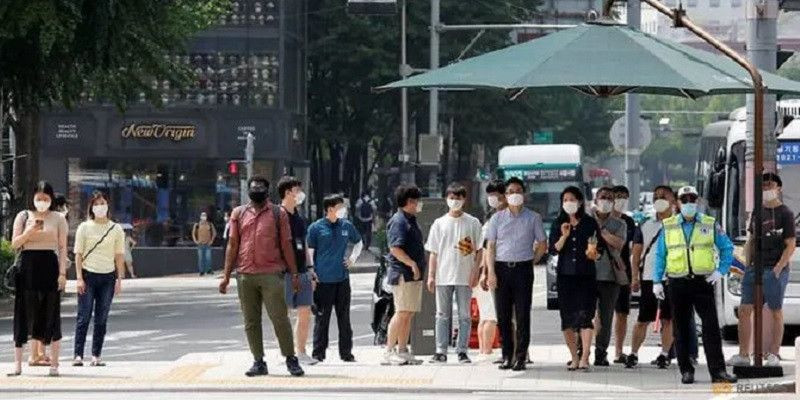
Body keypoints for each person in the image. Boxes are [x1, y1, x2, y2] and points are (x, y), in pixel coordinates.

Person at [218, 176, 304, 377]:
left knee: (279, 318)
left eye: (260, 187)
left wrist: (294, 273)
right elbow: (232, 245)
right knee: (250, 321)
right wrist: (226, 275)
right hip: (246, 275)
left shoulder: (277, 213)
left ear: (267, 190)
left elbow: (286, 244)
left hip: (271, 274)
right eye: (253, 187)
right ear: (248, 191)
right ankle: (258, 361)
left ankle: (291, 358)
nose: (257, 189)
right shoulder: (238, 213)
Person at [653, 185, 737, 384]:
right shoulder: (669, 225)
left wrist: (720, 271)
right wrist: (656, 281)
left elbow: (727, 248)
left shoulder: (709, 223)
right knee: (680, 328)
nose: (689, 203)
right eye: (685, 200)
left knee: (711, 328)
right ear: (678, 203)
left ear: (697, 202)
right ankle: (686, 370)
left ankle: (718, 372)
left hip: (703, 282)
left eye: (692, 199)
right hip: (677, 282)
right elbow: (660, 256)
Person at [728, 172, 796, 367]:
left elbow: (790, 244)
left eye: (770, 185)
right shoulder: (757, 212)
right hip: (753, 268)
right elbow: (750, 240)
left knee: (775, 310)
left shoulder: (786, 213)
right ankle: (743, 354)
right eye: (764, 186)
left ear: (779, 188)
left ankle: (774, 353)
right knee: (744, 309)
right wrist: (745, 265)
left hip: (775, 269)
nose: (767, 189)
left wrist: (778, 268)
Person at [485, 177, 547, 371]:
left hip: (523, 269)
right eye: (511, 191)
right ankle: (506, 355)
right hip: (502, 269)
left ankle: (521, 357)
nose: (515, 194)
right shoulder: (496, 219)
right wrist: (491, 273)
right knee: (503, 316)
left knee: (522, 315)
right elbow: (490, 247)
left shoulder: (533, 217)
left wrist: (532, 260)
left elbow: (542, 244)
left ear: (524, 194)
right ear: (505, 195)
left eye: (518, 191)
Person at [9, 181, 68, 377]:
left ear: (51, 199)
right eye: (38, 199)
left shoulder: (58, 218)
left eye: (46, 199)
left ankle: (55, 364)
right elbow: (14, 244)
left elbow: (62, 247)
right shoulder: (23, 216)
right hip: (27, 266)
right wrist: (29, 232)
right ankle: (18, 364)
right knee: (23, 312)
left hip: (49, 265)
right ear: (33, 198)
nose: (42, 202)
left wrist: (62, 273)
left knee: (51, 311)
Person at [426, 183, 483, 364]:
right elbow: (434, 252)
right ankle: (441, 350)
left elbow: (480, 250)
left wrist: (475, 272)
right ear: (446, 199)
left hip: (464, 276)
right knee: (442, 314)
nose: (455, 201)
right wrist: (431, 275)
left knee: (465, 316)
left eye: (458, 198)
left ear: (464, 200)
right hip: (443, 276)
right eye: (452, 197)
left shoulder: (473, 222)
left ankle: (462, 351)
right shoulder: (439, 223)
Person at [72, 191, 126, 367]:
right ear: (91, 207)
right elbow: (78, 255)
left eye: (103, 203)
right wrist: (79, 278)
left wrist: (119, 279)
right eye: (96, 204)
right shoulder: (84, 227)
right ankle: (78, 354)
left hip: (108, 277)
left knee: (101, 318)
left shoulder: (116, 229)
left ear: (108, 206)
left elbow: (119, 256)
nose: (100, 207)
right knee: (84, 316)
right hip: (88, 275)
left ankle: (96, 355)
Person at [307, 194, 363, 363]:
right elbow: (310, 251)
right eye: (340, 207)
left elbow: (359, 242)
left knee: (344, 318)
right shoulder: (316, 228)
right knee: (322, 318)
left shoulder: (347, 226)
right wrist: (311, 273)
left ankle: (346, 353)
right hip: (323, 280)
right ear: (330, 209)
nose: (343, 210)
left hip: (342, 279)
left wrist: (352, 259)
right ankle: (318, 353)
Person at [550, 186, 600, 371]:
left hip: (586, 275)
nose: (568, 203)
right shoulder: (558, 223)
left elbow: (597, 248)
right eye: (565, 200)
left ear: (579, 202)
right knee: (567, 319)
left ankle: (585, 355)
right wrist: (564, 236)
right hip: (565, 276)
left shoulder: (589, 223)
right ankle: (573, 356)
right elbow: (553, 249)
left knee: (586, 316)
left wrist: (594, 253)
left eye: (572, 199)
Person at [626, 185, 676, 369]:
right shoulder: (645, 225)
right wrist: (634, 278)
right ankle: (633, 353)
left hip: (672, 278)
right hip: (649, 278)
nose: (659, 199)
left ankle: (664, 354)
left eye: (664, 196)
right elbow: (636, 254)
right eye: (656, 196)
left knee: (668, 318)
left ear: (673, 201)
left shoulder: (679, 224)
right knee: (643, 319)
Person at [383, 184, 426, 366]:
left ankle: (402, 349)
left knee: (408, 313)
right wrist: (412, 264)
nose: (419, 204)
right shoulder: (399, 221)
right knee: (401, 312)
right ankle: (389, 350)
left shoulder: (411, 219)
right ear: (409, 201)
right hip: (402, 273)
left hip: (412, 275)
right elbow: (395, 248)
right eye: (417, 200)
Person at [277, 177, 316, 365]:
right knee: (283, 315)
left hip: (302, 271)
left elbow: (305, 243)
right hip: (284, 273)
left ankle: (301, 351)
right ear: (287, 193)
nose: (300, 194)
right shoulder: (278, 215)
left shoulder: (299, 217)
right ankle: (286, 353)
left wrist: (310, 268)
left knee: (305, 312)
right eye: (296, 190)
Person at [474, 180, 505, 363]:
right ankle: (485, 352)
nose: (494, 199)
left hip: (482, 273)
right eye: (491, 195)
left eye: (497, 195)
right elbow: (485, 250)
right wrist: (486, 273)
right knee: (491, 315)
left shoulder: (490, 220)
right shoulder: (491, 222)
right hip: (485, 274)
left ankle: (483, 350)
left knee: (486, 314)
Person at [611, 185, 636, 364]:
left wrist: (634, 275)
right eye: (617, 196)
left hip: (623, 271)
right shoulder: (599, 219)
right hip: (602, 271)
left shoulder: (628, 221)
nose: (621, 200)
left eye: (624, 197)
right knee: (600, 313)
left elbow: (634, 248)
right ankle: (599, 349)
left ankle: (618, 351)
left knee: (622, 312)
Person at [192, 211, 217, 276]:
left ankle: (208, 270)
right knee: (201, 258)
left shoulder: (210, 224)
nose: (204, 217)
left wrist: (212, 241)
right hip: (200, 244)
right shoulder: (197, 224)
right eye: (202, 215)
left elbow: (214, 233)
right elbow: (193, 233)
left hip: (208, 244)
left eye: (205, 215)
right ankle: (201, 271)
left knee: (208, 258)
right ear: (200, 217)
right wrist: (195, 240)